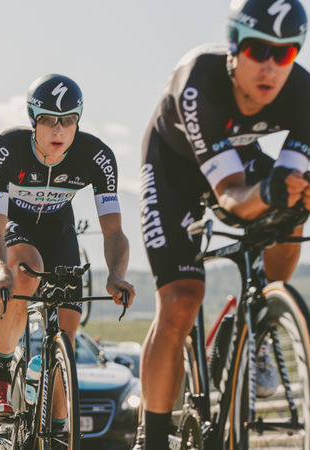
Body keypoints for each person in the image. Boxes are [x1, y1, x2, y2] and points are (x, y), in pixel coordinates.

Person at [139, 0, 310, 448]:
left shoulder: (303, 92)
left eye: (285, 53)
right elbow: (232, 195)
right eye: (257, 49)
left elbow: (289, 180)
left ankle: (257, 322)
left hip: (237, 156)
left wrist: (293, 193)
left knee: (293, 207)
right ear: (234, 46)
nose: (270, 67)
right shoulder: (198, 80)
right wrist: (270, 192)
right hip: (174, 169)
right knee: (180, 301)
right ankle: (152, 437)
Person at [0, 73, 135, 418]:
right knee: (26, 272)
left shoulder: (96, 156)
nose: (59, 129)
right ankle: (0, 377)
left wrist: (117, 275)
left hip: (60, 232)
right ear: (33, 119)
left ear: (78, 120)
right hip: (17, 227)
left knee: (66, 336)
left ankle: (59, 429)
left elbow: (113, 231)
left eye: (68, 120)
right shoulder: (6, 150)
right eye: (49, 119)